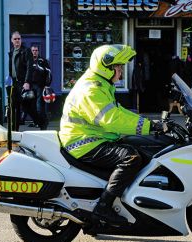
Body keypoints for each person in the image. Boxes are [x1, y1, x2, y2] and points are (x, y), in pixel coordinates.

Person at [59, 44, 165, 225]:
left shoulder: (101, 84)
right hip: (84, 142)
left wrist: (147, 121)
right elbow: (112, 119)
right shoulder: (91, 90)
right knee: (131, 158)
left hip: (93, 138)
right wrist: (149, 126)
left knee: (139, 146)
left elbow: (118, 112)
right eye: (118, 67)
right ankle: (103, 208)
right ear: (106, 68)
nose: (121, 71)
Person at [8, 31, 39, 131]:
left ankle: (42, 122)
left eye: (19, 39)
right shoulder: (12, 52)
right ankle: (14, 131)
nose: (17, 41)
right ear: (11, 40)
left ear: (21, 40)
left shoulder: (26, 51)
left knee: (27, 108)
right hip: (14, 84)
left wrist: (27, 82)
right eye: (15, 39)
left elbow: (30, 68)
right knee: (14, 107)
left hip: (23, 83)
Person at [30, 45, 52, 130]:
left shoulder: (43, 61)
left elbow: (49, 73)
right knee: (31, 106)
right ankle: (37, 122)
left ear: (38, 51)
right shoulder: (28, 61)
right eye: (33, 50)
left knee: (40, 107)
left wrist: (47, 85)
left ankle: (43, 123)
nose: (34, 52)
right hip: (31, 87)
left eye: (36, 50)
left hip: (40, 86)